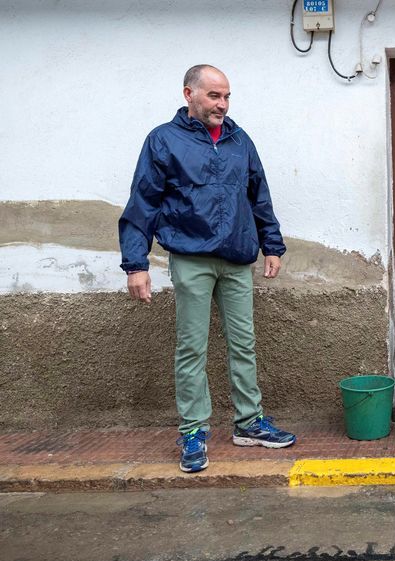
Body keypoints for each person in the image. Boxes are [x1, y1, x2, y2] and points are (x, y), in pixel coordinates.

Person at [119, 64, 296, 474]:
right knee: (191, 348)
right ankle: (194, 431)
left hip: (236, 257)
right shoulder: (163, 140)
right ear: (189, 94)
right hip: (191, 257)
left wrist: (272, 245)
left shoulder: (239, 140)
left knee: (243, 344)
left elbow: (259, 196)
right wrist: (136, 264)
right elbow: (142, 202)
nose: (222, 104)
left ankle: (249, 423)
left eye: (227, 96)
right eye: (214, 96)